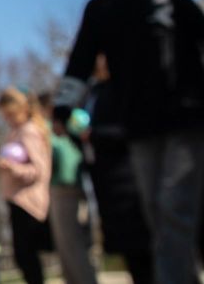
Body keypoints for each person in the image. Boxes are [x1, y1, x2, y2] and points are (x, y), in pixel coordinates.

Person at [53, 0, 204, 284]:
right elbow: (80, 60)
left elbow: (199, 33)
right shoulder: (99, 9)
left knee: (176, 203)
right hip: (138, 125)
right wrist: (62, 107)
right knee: (154, 210)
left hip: (184, 117)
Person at [82, 54, 154, 284]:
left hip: (130, 177)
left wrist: (95, 135)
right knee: (129, 251)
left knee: (145, 246)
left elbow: (132, 128)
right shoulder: (91, 93)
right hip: (105, 181)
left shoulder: (124, 86)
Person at [38, 91, 97, 284]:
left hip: (67, 187)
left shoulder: (60, 127)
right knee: (65, 247)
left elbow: (65, 159)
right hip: (64, 186)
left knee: (72, 245)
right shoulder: (56, 127)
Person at [0, 87, 52, 284]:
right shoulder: (15, 133)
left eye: (11, 114)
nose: (8, 119)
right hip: (15, 200)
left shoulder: (29, 131)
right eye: (5, 116)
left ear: (23, 108)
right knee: (23, 255)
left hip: (28, 202)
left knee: (26, 254)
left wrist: (13, 168)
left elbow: (40, 170)